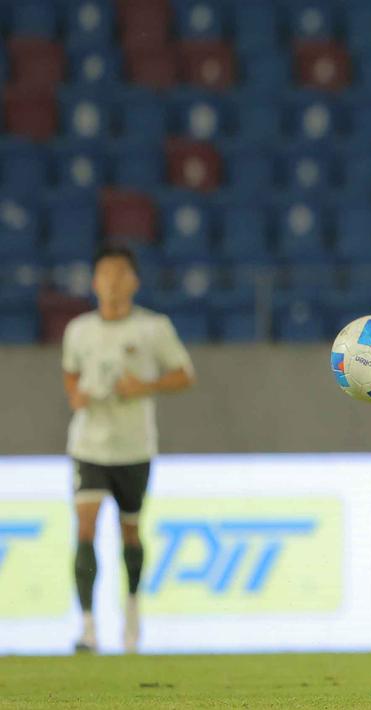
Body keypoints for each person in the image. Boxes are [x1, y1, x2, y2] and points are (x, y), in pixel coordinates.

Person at [62, 246, 195, 653]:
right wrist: (77, 397)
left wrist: (146, 386)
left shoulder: (153, 328)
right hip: (89, 444)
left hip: (135, 446)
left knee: (130, 530)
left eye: (120, 274)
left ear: (134, 282)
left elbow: (184, 375)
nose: (113, 282)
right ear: (94, 282)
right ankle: (87, 626)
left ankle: (132, 613)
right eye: (105, 274)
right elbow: (70, 374)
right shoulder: (79, 330)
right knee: (85, 526)